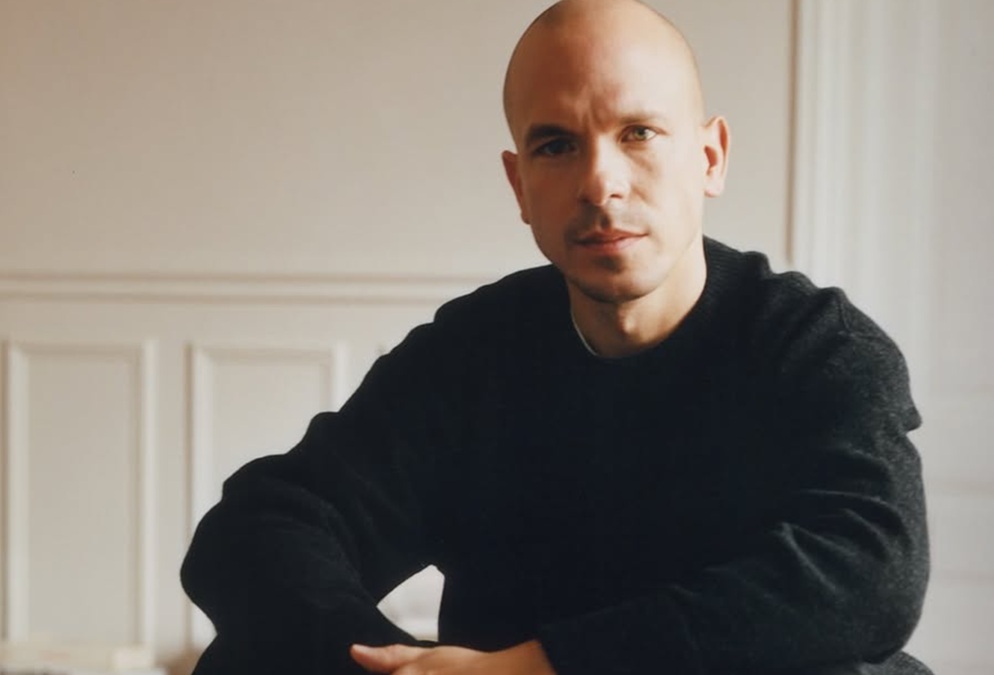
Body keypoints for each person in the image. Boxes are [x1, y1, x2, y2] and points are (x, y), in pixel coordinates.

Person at [180, 0, 934, 673]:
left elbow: (873, 575)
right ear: (519, 185)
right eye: (556, 146)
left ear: (710, 157)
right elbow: (259, 527)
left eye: (638, 133)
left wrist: (542, 667)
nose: (600, 183)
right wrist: (398, 667)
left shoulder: (816, 347)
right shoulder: (472, 354)